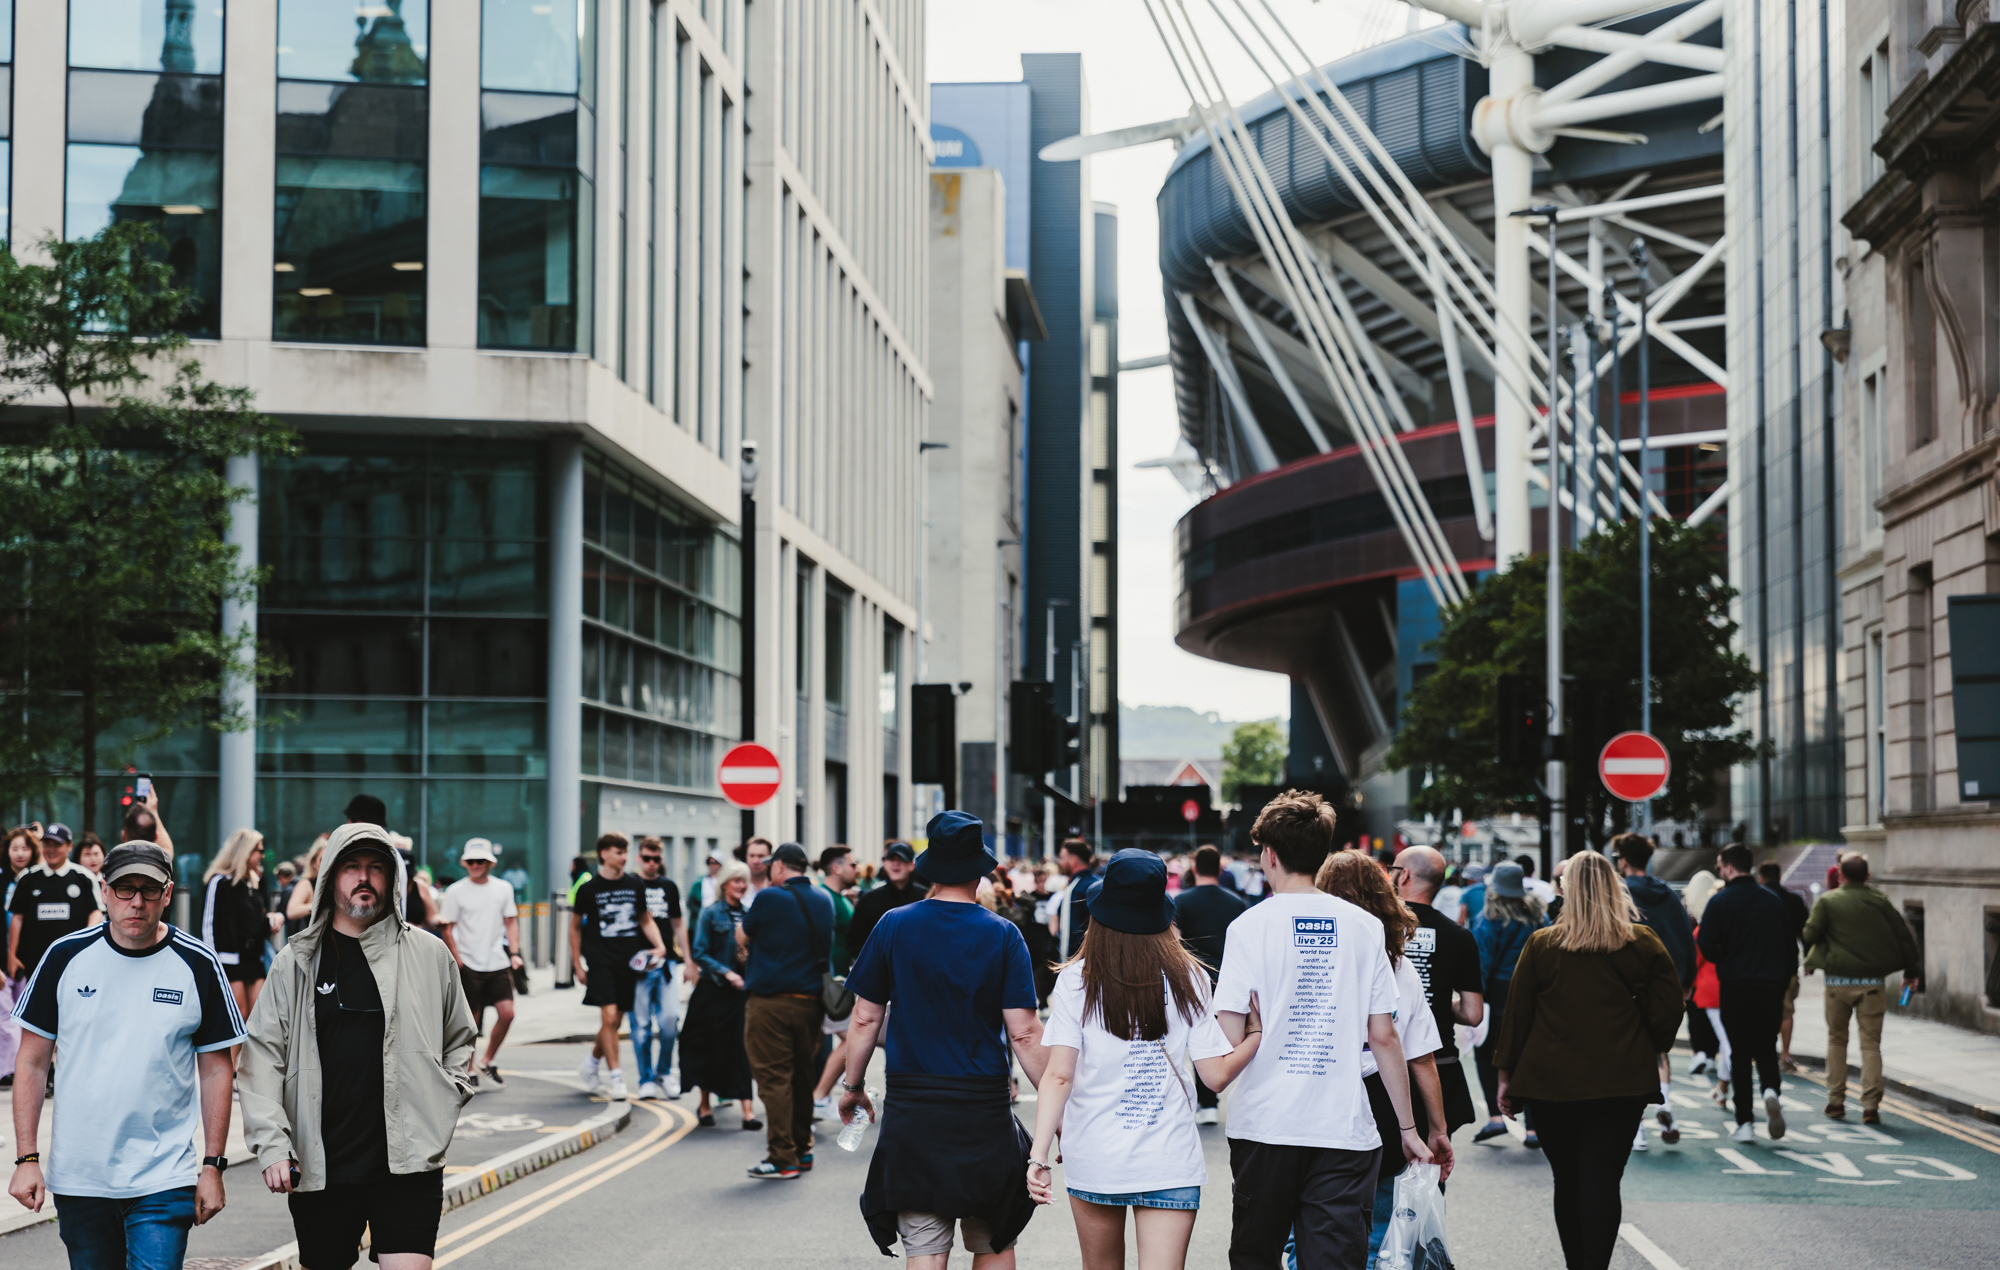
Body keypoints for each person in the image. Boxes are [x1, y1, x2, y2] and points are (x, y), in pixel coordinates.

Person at [240, 822, 477, 1270]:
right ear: (330, 877)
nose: (364, 877)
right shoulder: (296, 962)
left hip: (409, 1165)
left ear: (392, 878)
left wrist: (448, 1095)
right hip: (322, 1167)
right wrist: (272, 1144)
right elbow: (262, 1058)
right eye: (351, 866)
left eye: (376, 867)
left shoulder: (430, 954)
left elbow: (460, 1036)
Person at [1209, 790, 1428, 1270]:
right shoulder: (1364, 927)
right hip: (1343, 1128)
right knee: (1334, 1259)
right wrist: (1408, 1128)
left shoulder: (1248, 927)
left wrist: (1256, 1032)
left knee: (1256, 1256)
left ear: (1270, 855)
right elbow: (1384, 1036)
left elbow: (1227, 1032)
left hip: (1265, 1125)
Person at [1026, 848, 1265, 1270]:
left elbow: (1058, 1077)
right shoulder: (1190, 975)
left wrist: (1038, 1156)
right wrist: (1256, 1036)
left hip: (1097, 1155)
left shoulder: (1076, 980)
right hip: (1169, 1159)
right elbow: (1215, 1075)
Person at [7, 843, 241, 1267]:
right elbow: (32, 1062)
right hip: (81, 1177)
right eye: (124, 888)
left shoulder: (198, 963)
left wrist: (213, 1165)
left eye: (149, 890)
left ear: (167, 894)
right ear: (104, 891)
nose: (136, 901)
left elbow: (216, 1070)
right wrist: (26, 1158)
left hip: (163, 1175)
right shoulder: (64, 957)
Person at [841, 811, 1050, 1263]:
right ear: (980, 870)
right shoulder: (1003, 934)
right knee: (995, 1239)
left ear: (931, 868)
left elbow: (864, 1020)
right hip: (983, 1111)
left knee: (925, 1247)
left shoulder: (893, 925)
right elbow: (1025, 1034)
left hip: (914, 1112)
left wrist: (852, 1088)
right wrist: (1059, 1109)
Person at [1492, 852, 1683, 1270]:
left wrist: (1505, 1076)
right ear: (1616, 888)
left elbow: (1517, 1016)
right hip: (1622, 1083)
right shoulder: (1643, 942)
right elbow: (1670, 1009)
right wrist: (1646, 1044)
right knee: (1603, 1180)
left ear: (1565, 890)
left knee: (1567, 1180)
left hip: (1551, 1084)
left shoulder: (1543, 944)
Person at [1315, 850, 1450, 1266]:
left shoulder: (1306, 960)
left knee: (1309, 1224)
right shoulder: (1399, 967)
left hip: (1315, 1096)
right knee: (1378, 1229)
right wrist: (1436, 1130)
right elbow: (1421, 1059)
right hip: (1384, 1102)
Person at [735, 842, 834, 1179]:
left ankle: (782, 1158)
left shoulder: (769, 897)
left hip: (770, 1003)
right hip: (811, 1003)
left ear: (779, 866)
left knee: (774, 1079)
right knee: (802, 1077)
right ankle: (802, 1149)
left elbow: (741, 935)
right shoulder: (824, 899)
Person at [1801, 852, 1921, 1126]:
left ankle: (1835, 1102)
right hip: (1872, 985)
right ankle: (1870, 1107)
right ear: (1867, 876)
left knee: (1836, 1041)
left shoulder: (1828, 901)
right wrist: (1911, 973)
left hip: (1837, 985)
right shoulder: (1880, 901)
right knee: (1870, 1044)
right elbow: (1905, 939)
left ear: (1840, 875)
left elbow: (1809, 934)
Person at [1695, 844, 1796, 1142]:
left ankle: (1745, 1123)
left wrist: (1725, 959)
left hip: (1735, 985)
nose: (1719, 871)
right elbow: (1790, 949)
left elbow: (1705, 945)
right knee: (1766, 1046)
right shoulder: (1772, 900)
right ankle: (1770, 1091)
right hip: (1770, 986)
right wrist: (1781, 981)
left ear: (1728, 868)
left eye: (1719, 866)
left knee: (1739, 1053)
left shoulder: (1719, 902)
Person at [1390, 847, 1484, 1144]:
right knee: (1434, 1161)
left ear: (1404, 875)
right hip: (1439, 1063)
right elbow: (1473, 1013)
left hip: (1382, 1064)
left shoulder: (1376, 926)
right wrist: (1436, 1003)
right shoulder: (1459, 936)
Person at [570, 832, 667, 1101]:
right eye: (618, 852)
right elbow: (574, 927)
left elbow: (645, 919)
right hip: (600, 961)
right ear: (604, 854)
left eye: (625, 852)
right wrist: (577, 963)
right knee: (609, 1017)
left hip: (629, 962)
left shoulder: (635, 885)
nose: (623, 857)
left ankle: (591, 1063)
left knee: (615, 1021)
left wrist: (660, 946)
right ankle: (617, 1078)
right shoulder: (589, 889)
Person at [1470, 862, 1546, 1147]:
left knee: (1487, 1053)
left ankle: (1495, 1117)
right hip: (1534, 993)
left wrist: (1476, 998)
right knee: (1529, 1058)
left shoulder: (1489, 918)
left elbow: (1481, 962)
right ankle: (1534, 1129)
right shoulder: (1539, 916)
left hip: (1499, 994)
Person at [437, 837, 523, 1089]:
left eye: (481, 861)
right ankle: (468, 1069)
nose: (476, 865)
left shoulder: (503, 888)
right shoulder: (456, 891)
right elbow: (447, 927)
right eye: (471, 861)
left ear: (490, 863)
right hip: (468, 963)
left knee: (507, 1013)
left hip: (497, 961)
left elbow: (511, 921)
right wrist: (457, 957)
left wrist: (514, 952)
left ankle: (487, 1061)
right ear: (465, 863)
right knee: (471, 1021)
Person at [1171, 844, 1248, 1125]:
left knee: (1196, 1042)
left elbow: (1174, 943)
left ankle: (1205, 1102)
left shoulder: (1181, 901)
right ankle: (1215, 1099)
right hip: (1228, 980)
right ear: (1220, 868)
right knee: (1224, 1041)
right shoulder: (1236, 902)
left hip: (1193, 980)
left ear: (1194, 869)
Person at [680, 859, 757, 1128]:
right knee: (707, 1048)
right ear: (725, 884)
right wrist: (727, 973)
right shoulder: (710, 913)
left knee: (741, 1048)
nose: (741, 885)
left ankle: (748, 1112)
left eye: (744, 881)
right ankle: (704, 1106)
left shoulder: (749, 914)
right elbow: (700, 952)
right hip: (713, 991)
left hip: (740, 994)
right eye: (737, 880)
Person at [632, 837, 691, 1101]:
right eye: (647, 858)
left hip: (666, 963)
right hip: (638, 964)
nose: (651, 863)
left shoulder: (669, 886)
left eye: (656, 859)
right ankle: (646, 1078)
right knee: (641, 1026)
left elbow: (678, 924)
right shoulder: (631, 885)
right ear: (639, 858)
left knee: (670, 1020)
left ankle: (664, 1072)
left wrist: (689, 960)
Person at [7, 824, 104, 983]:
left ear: (69, 846)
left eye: (57, 845)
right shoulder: (27, 878)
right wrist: (12, 955)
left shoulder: (84, 877)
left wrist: (83, 942)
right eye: (47, 844)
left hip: (74, 960)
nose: (51, 850)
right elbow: (17, 917)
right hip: (35, 962)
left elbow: (96, 912)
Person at [202, 829, 279, 1025]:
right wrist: (212, 964)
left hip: (255, 958)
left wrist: (272, 920)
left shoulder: (256, 882)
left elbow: (256, 919)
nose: (262, 855)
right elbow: (209, 926)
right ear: (246, 851)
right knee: (238, 1016)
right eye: (259, 851)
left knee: (260, 1018)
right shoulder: (219, 882)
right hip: (229, 960)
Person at [809, 845, 862, 1117]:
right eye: (852, 865)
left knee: (814, 1044)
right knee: (854, 1039)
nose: (857, 869)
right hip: (828, 985)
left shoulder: (841, 898)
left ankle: (809, 1099)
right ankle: (818, 1097)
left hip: (837, 985)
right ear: (836, 868)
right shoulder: (824, 898)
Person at [1758, 860, 1811, 1071]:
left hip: (1760, 965)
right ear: (1780, 877)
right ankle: (1786, 1055)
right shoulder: (1794, 900)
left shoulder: (1757, 900)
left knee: (1762, 1010)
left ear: (1761, 878)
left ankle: (1764, 1052)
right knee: (1786, 1010)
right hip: (1788, 963)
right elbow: (1806, 934)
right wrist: (1809, 960)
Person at [0, 828, 38, 1084]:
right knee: (5, 1016)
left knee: (24, 1017)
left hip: (27, 960)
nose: (20, 853)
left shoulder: (38, 880)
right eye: (15, 848)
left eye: (25, 848)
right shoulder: (2, 880)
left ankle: (19, 1069)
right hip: (3, 959)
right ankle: (11, 1071)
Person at [846, 840, 927, 955]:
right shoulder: (869, 900)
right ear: (884, 864)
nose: (896, 864)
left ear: (911, 865)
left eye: (902, 860)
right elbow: (855, 941)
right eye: (892, 859)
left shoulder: (925, 897)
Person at [1051, 838, 1100, 960]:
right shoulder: (1098, 883)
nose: (1059, 862)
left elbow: (1069, 935)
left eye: (1062, 858)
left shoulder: (1074, 890)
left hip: (1077, 962)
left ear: (1073, 860)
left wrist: (1066, 964)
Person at [285, 837, 328, 939]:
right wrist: (317, 906)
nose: (326, 864)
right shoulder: (306, 883)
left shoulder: (334, 884)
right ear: (313, 863)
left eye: (329, 859)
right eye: (322, 860)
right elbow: (291, 911)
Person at [121, 794, 177, 860]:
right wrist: (153, 810)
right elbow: (167, 849)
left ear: (123, 835)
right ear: (156, 836)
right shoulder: (162, 861)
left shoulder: (112, 862)